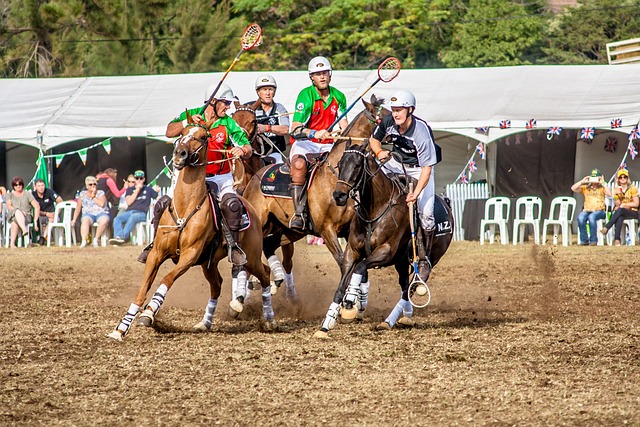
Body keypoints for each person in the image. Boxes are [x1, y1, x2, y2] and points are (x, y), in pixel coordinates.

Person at [138, 82, 252, 265]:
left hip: (220, 177)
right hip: (189, 177)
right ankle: (154, 244)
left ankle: (233, 246)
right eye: (225, 103)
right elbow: (169, 132)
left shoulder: (229, 123)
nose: (228, 107)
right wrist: (186, 122)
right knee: (161, 204)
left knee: (232, 206)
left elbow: (247, 145)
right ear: (213, 101)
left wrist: (243, 151)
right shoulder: (191, 115)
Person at [369, 89, 440, 280]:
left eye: (400, 109)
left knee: (426, 215)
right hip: (396, 163)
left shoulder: (421, 132)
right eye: (393, 110)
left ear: (410, 110)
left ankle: (425, 260)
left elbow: (427, 170)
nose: (395, 113)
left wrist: (415, 194)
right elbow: (374, 139)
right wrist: (379, 152)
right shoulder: (388, 122)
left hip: (420, 169)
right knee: (370, 174)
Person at [288, 56, 348, 230]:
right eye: (317, 74)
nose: (322, 77)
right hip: (306, 143)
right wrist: (314, 132)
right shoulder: (306, 96)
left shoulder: (339, 96)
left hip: (329, 145)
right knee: (299, 165)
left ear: (330, 75)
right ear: (311, 77)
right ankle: (299, 212)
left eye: (324, 73)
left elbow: (343, 125)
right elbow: (295, 128)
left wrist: (342, 134)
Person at [109, 170, 158, 245]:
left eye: (141, 178)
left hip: (141, 213)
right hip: (130, 211)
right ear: (134, 179)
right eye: (137, 178)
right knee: (117, 219)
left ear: (144, 179)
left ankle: (121, 237)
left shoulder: (148, 189)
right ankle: (118, 237)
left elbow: (158, 198)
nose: (139, 180)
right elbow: (129, 202)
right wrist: (137, 191)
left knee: (133, 217)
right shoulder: (130, 190)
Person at [253, 74, 290, 164]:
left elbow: (285, 129)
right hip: (255, 153)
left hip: (275, 153)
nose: (268, 93)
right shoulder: (251, 108)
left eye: (270, 89)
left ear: (274, 91)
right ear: (258, 92)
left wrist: (266, 128)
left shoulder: (279, 108)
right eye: (264, 90)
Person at [571, 168, 611, 246]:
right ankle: (584, 240)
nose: (594, 179)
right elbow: (573, 188)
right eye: (592, 177)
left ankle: (593, 240)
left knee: (592, 217)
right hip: (587, 210)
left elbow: (610, 194)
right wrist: (582, 181)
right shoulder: (586, 188)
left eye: (596, 177)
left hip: (599, 211)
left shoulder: (602, 188)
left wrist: (603, 183)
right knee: (580, 217)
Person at [600, 169, 639, 246]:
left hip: (633, 211)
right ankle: (617, 240)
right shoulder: (616, 189)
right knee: (620, 216)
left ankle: (607, 227)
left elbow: (636, 203)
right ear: (618, 179)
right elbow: (618, 205)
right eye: (621, 177)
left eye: (625, 177)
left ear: (627, 178)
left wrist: (625, 205)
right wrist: (617, 196)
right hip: (622, 211)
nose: (623, 178)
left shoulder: (632, 188)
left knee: (620, 210)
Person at [71, 176, 110, 248]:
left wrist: (93, 196)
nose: (93, 186)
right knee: (85, 220)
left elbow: (102, 204)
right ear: (86, 186)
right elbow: (78, 208)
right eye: (90, 184)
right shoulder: (82, 194)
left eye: (94, 184)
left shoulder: (101, 193)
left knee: (104, 220)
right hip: (88, 213)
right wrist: (74, 219)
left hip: (101, 212)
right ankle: (83, 241)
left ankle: (96, 239)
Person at [5, 176, 40, 248]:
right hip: (13, 215)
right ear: (13, 186)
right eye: (16, 185)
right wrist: (19, 211)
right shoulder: (10, 195)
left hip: (26, 216)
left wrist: (35, 220)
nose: (18, 186)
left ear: (22, 185)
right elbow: (9, 206)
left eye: (20, 184)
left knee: (14, 221)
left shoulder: (27, 194)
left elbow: (37, 206)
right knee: (17, 213)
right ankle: (24, 229)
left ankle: (12, 244)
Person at [31, 178, 63, 245]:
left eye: (42, 185)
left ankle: (43, 238)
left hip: (51, 215)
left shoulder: (49, 192)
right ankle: (39, 238)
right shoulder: (32, 195)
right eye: (39, 186)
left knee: (52, 218)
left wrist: (56, 213)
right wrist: (45, 214)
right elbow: (34, 209)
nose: (41, 188)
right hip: (39, 215)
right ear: (35, 187)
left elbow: (60, 201)